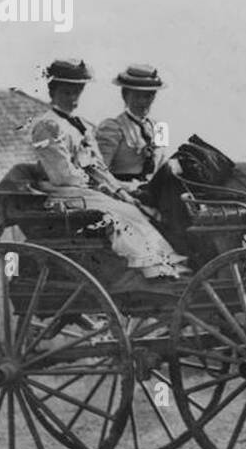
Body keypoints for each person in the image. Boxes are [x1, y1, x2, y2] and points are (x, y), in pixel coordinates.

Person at [29, 59, 188, 288]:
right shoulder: (50, 126)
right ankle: (151, 270)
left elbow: (99, 166)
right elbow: (63, 175)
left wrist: (118, 191)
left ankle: (165, 265)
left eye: (77, 92)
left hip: (94, 187)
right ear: (52, 91)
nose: (73, 98)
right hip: (65, 190)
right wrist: (105, 187)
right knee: (125, 213)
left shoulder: (81, 124)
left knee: (138, 207)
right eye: (66, 92)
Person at [96, 63, 170, 183]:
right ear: (125, 95)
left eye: (148, 96)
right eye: (137, 96)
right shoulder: (112, 127)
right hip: (120, 189)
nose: (142, 102)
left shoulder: (160, 128)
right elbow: (100, 172)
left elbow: (162, 165)